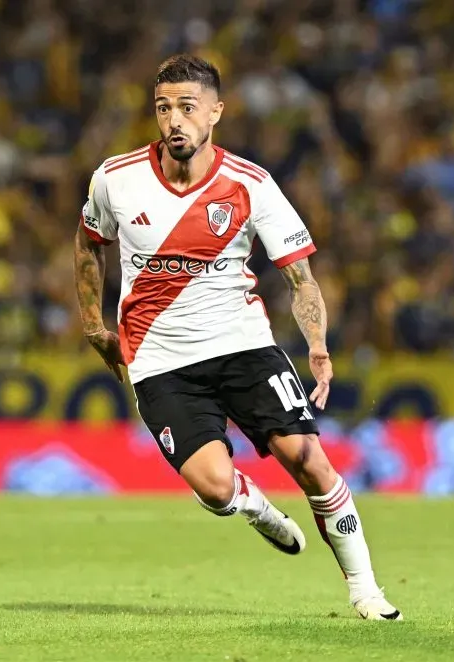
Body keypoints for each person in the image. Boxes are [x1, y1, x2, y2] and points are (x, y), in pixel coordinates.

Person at [73, 54, 401, 620]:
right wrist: (93, 325)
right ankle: (251, 504)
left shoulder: (251, 184)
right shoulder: (114, 178)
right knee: (215, 488)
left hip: (242, 345)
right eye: (163, 108)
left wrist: (318, 347)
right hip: (159, 359)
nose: (174, 120)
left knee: (310, 460)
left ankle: (365, 588)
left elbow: (300, 278)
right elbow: (87, 245)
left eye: (187, 107)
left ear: (215, 113)